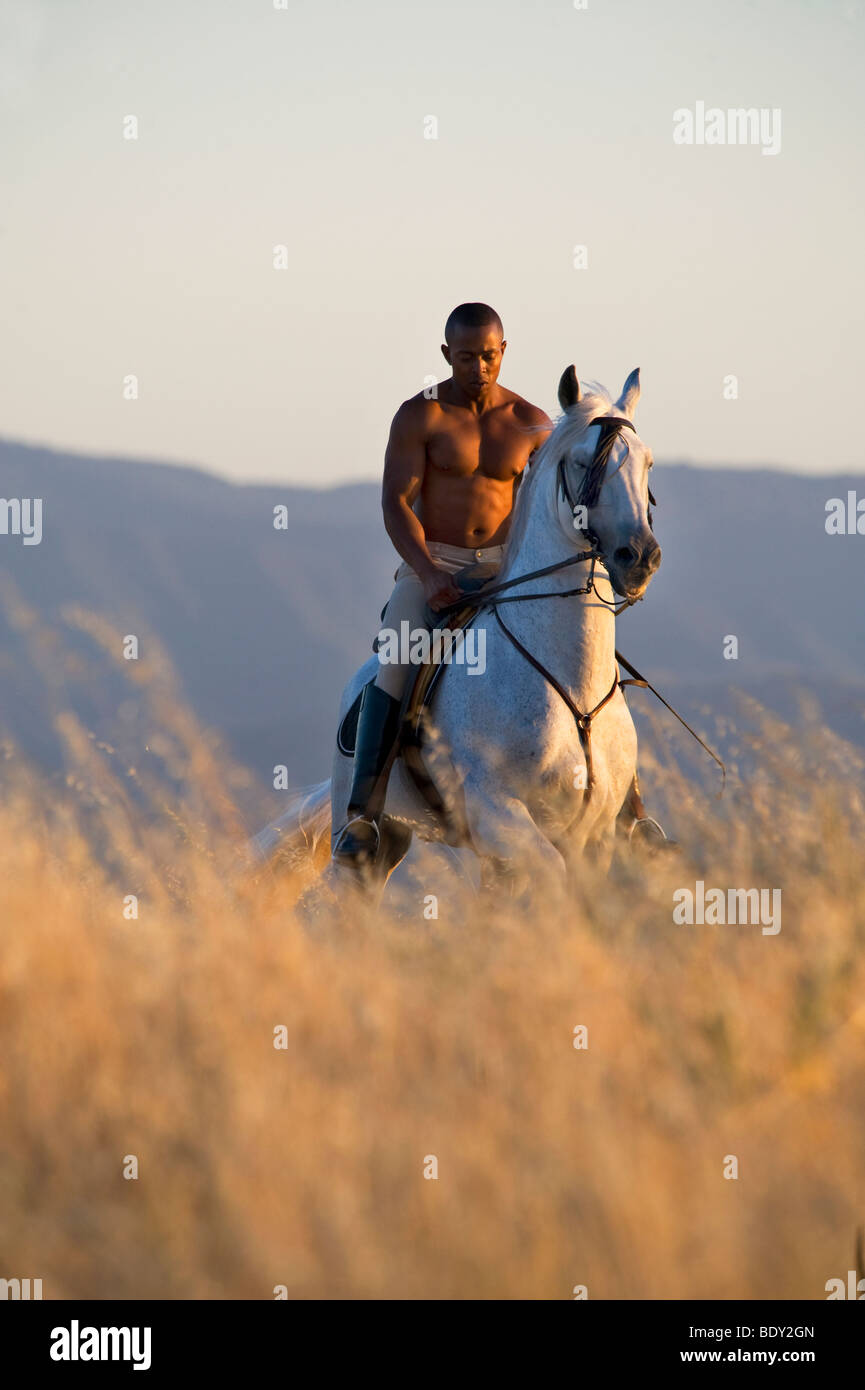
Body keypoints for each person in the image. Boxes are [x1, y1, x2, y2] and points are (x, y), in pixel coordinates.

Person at [333, 303, 667, 870]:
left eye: (488, 355)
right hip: (431, 566)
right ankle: (362, 815)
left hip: (510, 568)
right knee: (396, 661)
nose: (478, 367)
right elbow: (394, 505)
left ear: (503, 350)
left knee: (594, 662)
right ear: (446, 355)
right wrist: (431, 573)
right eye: (465, 357)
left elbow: (555, 500)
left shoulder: (533, 421)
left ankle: (630, 811)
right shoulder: (420, 417)